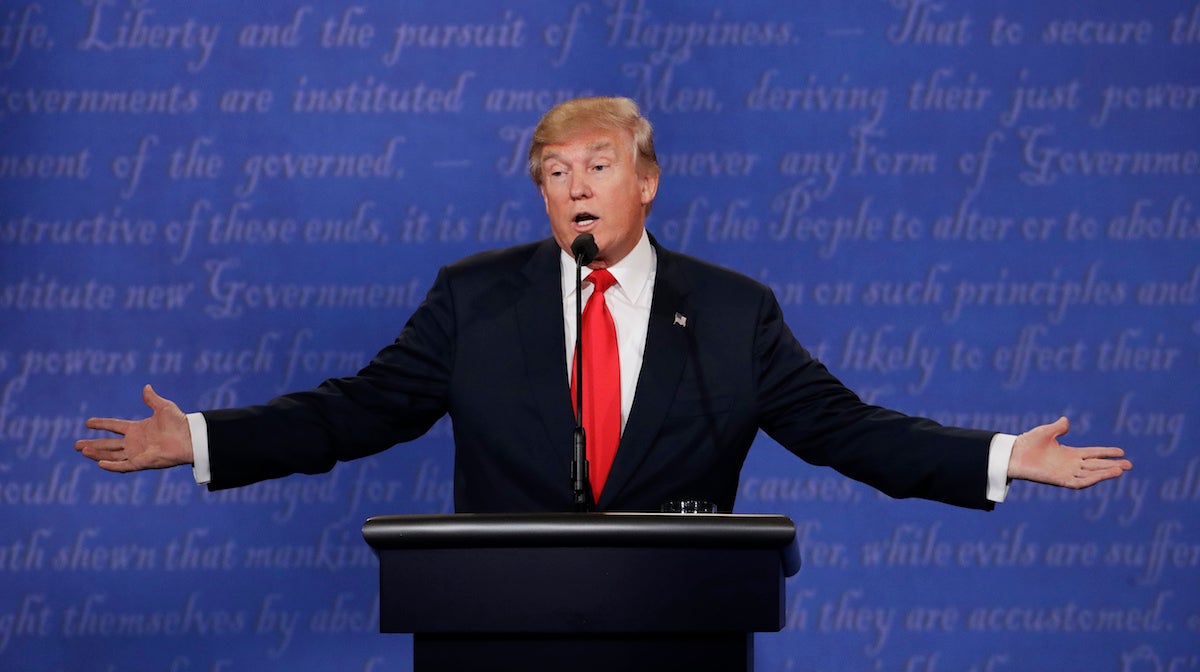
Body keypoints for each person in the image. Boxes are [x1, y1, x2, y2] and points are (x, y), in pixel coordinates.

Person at [75, 97, 1131, 513]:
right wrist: (204, 438)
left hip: (676, 632)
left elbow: (847, 431)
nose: (574, 186)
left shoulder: (731, 313)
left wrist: (1000, 455)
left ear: (648, 179)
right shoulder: (474, 301)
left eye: (597, 164)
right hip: (491, 634)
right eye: (552, 171)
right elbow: (353, 412)